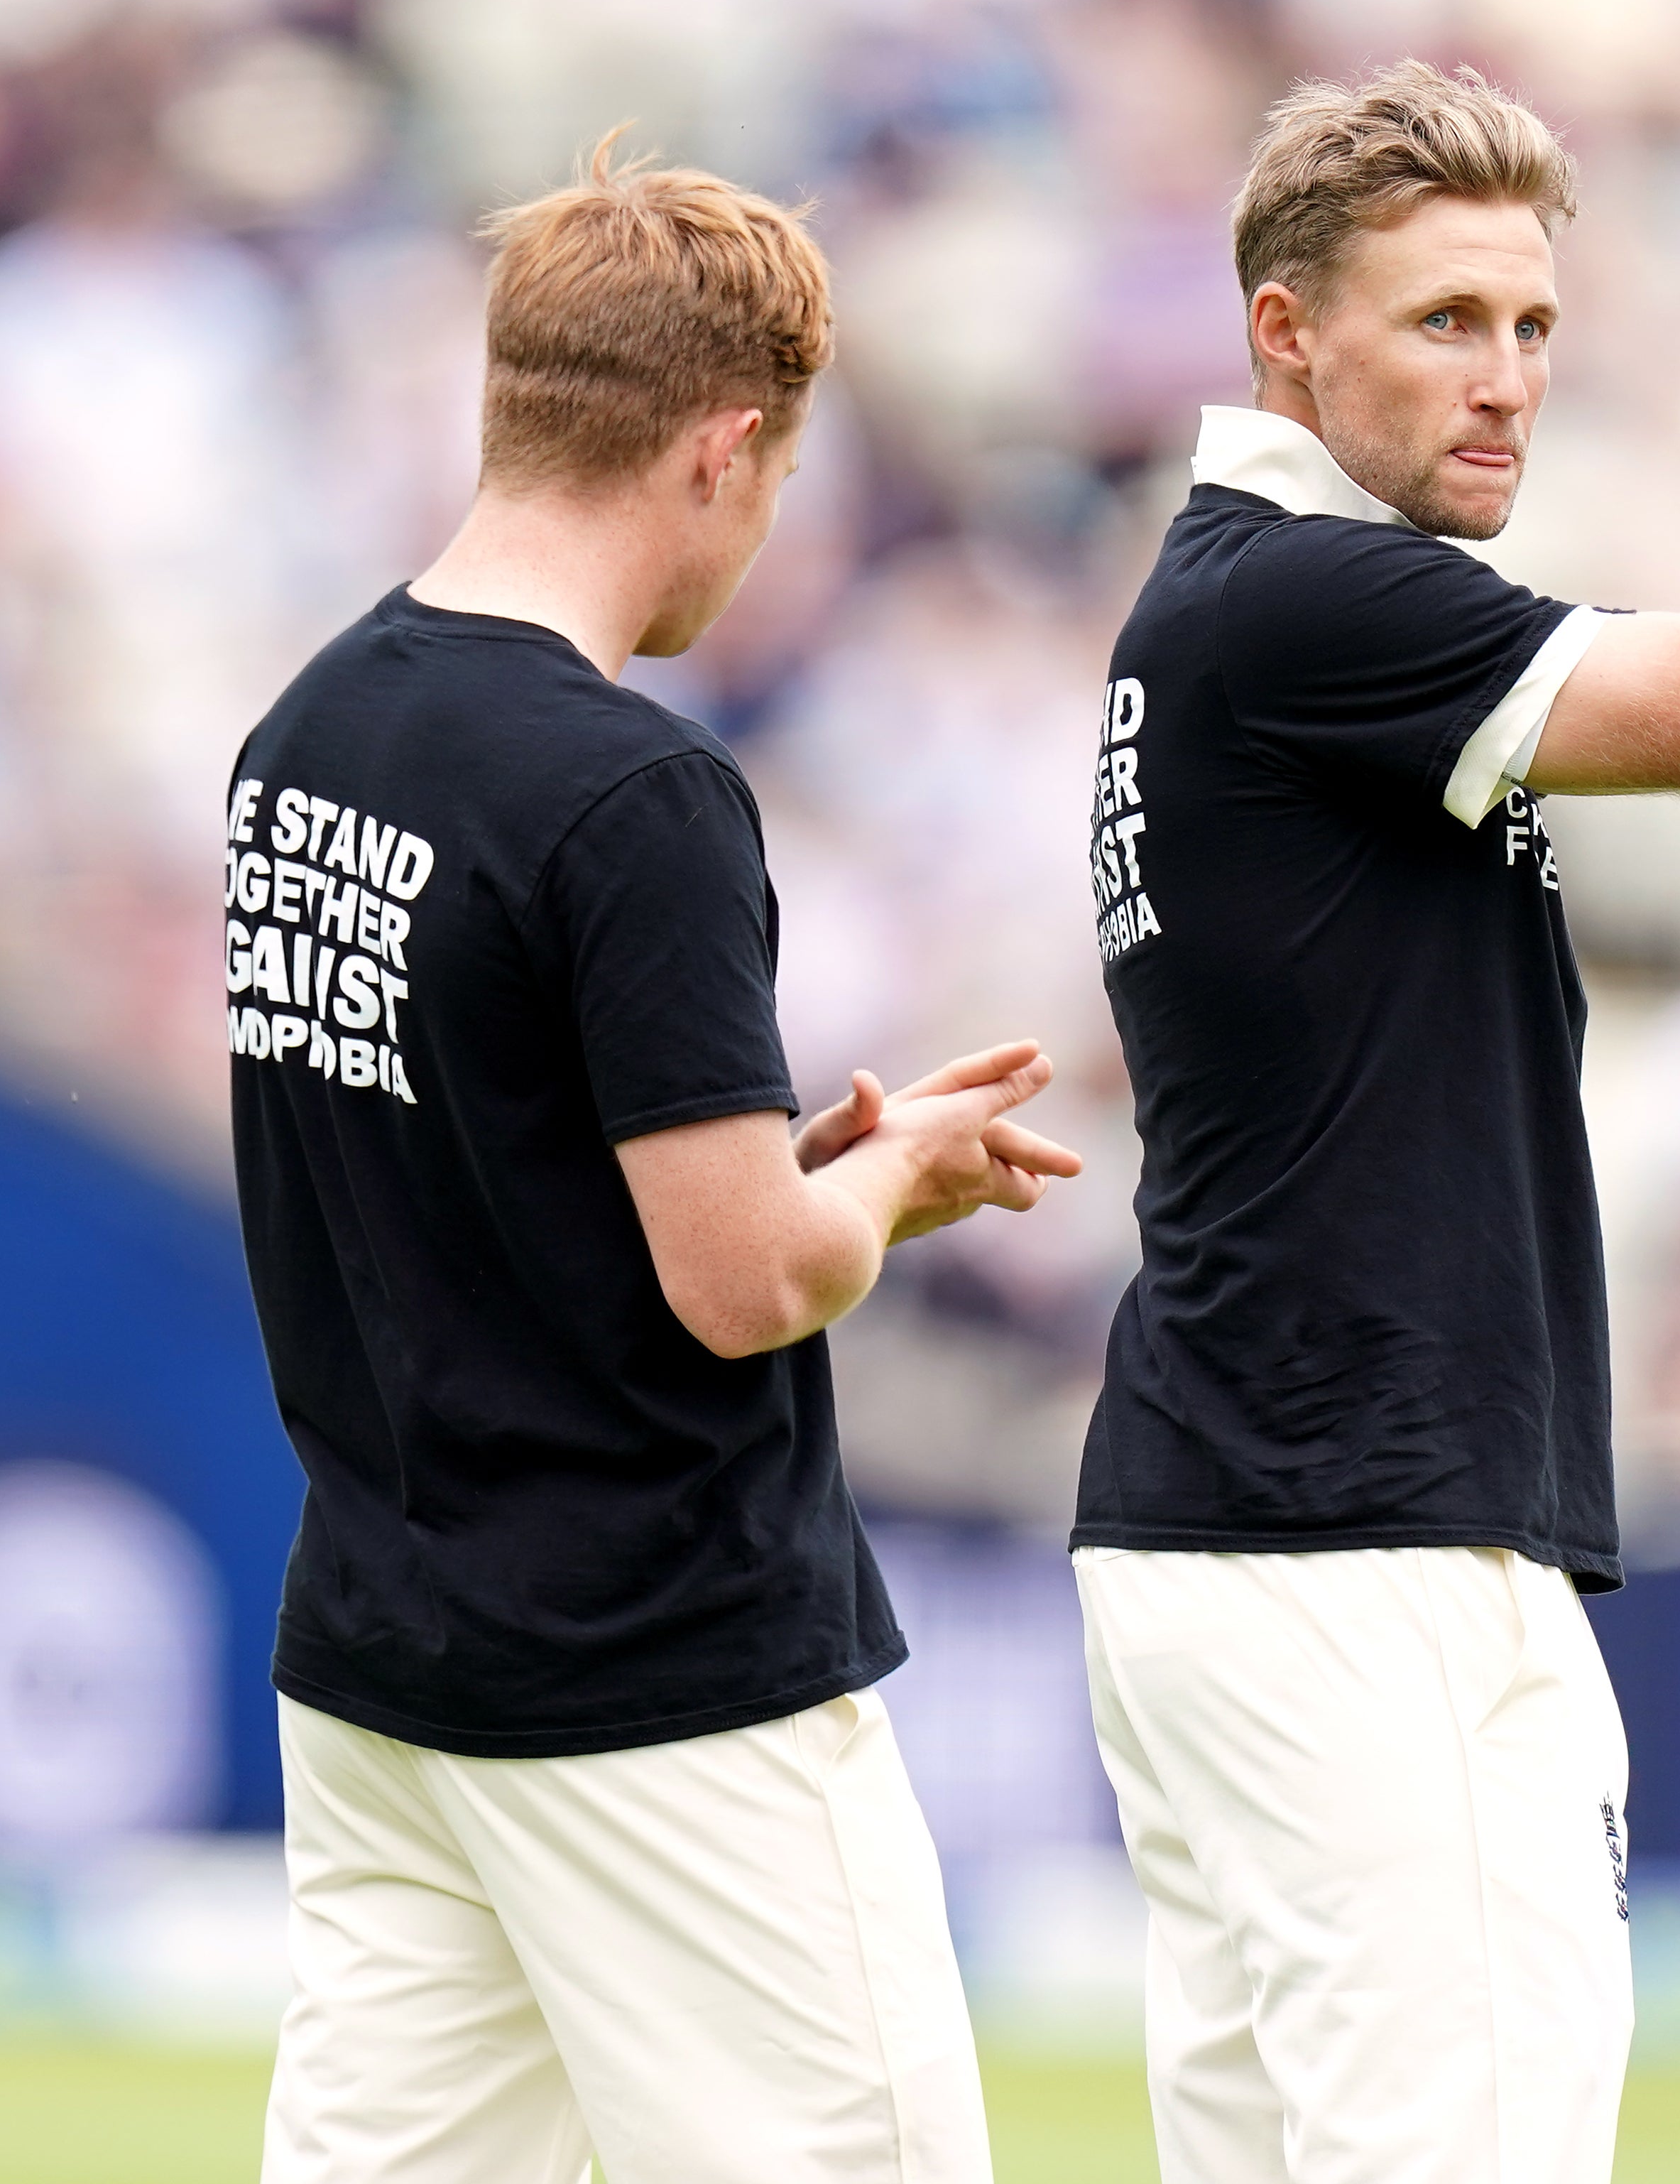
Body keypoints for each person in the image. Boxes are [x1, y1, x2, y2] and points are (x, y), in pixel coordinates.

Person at [1069, 0, 1680, 2184]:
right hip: (1362, 1538)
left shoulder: (1247, 610)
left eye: (1530, 323)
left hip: (1243, 1527)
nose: (1505, 380)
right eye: (1444, 322)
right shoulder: (1315, 608)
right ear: (1284, 336)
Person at [231, 139, 1086, 2184]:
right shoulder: (632, 791)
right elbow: (744, 1280)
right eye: (782, 483)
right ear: (720, 450)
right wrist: (885, 1185)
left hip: (386, 1645)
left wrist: (804, 1159)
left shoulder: (312, 729)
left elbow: (482, 1159)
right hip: (655, 1673)